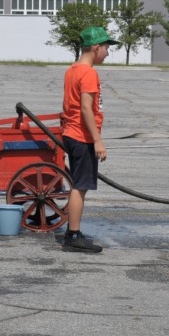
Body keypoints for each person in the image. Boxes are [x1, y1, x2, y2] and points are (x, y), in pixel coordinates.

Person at [60, 26, 118, 253]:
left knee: (79, 185)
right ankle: (73, 235)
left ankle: (73, 231)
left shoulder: (72, 70)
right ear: (96, 47)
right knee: (80, 187)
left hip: (72, 133)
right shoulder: (89, 73)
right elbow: (86, 109)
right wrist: (97, 140)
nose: (107, 53)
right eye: (106, 48)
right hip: (81, 136)